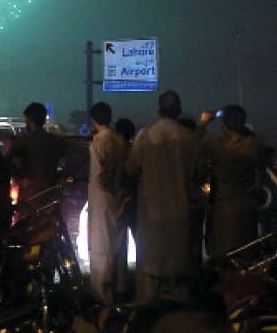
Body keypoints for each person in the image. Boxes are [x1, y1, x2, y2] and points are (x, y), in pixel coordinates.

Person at [125, 90, 203, 303]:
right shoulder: (191, 139)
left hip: (151, 216)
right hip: (181, 215)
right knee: (179, 276)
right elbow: (199, 175)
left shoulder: (146, 136)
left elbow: (131, 169)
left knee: (149, 275)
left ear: (158, 110)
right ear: (179, 111)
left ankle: (150, 326)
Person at [198, 105, 261, 261]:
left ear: (224, 126)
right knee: (246, 257)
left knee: (224, 259)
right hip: (248, 207)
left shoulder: (216, 147)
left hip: (224, 209)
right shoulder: (254, 145)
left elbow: (192, 143)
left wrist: (204, 123)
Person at [87, 102, 130, 304]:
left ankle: (103, 292)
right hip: (120, 197)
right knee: (119, 243)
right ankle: (121, 287)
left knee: (101, 246)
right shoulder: (120, 140)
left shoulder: (97, 143)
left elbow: (99, 177)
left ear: (94, 120)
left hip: (102, 200)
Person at [7, 102, 68, 203]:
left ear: (29, 120)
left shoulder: (23, 141)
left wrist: (20, 177)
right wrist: (63, 176)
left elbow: (5, 161)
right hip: (51, 191)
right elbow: (74, 158)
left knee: (29, 217)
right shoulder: (57, 141)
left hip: (29, 193)